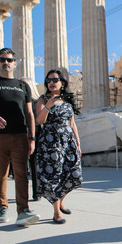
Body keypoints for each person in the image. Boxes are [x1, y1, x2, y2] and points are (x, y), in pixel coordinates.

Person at [0, 48, 40, 226]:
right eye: (2, 59)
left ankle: (23, 210)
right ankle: (2, 207)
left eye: (9, 59)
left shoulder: (23, 86)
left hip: (20, 135)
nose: (5, 62)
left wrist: (32, 137)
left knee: (22, 174)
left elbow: (29, 113)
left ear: (15, 63)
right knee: (1, 173)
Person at [35, 70, 82, 224]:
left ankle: (61, 200)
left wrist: (78, 142)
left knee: (74, 175)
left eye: (55, 79)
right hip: (50, 143)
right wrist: (49, 105)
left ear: (62, 82)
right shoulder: (42, 100)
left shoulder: (67, 102)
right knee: (53, 176)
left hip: (68, 141)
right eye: (48, 80)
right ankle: (56, 212)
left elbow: (72, 123)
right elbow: (40, 121)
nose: (52, 82)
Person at [22, 77, 41, 201]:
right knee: (33, 165)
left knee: (28, 165)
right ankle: (36, 193)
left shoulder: (36, 102)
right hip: (34, 133)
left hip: (31, 133)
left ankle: (34, 193)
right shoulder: (37, 102)